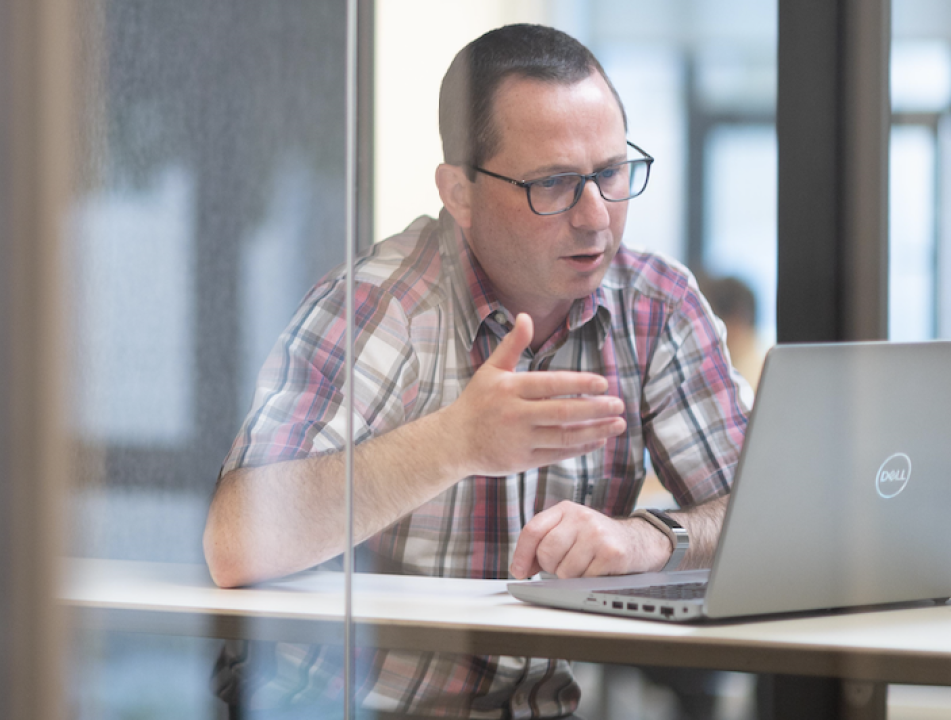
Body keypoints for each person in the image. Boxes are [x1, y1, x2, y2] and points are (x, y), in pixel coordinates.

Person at [204, 23, 750, 720]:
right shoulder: (382, 305)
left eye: (612, 173)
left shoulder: (656, 307)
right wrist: (455, 442)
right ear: (459, 193)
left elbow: (760, 518)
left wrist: (648, 539)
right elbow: (234, 543)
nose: (596, 218)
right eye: (553, 183)